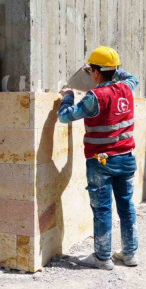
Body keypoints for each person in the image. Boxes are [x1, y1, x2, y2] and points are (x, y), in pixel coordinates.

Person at [58, 46, 140, 270]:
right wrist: (113, 70)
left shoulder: (95, 96)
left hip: (101, 161)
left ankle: (103, 258)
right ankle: (130, 254)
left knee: (102, 209)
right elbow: (133, 77)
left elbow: (65, 117)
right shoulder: (127, 87)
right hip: (126, 158)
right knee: (126, 206)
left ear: (94, 73)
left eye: (93, 71)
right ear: (115, 69)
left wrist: (68, 96)